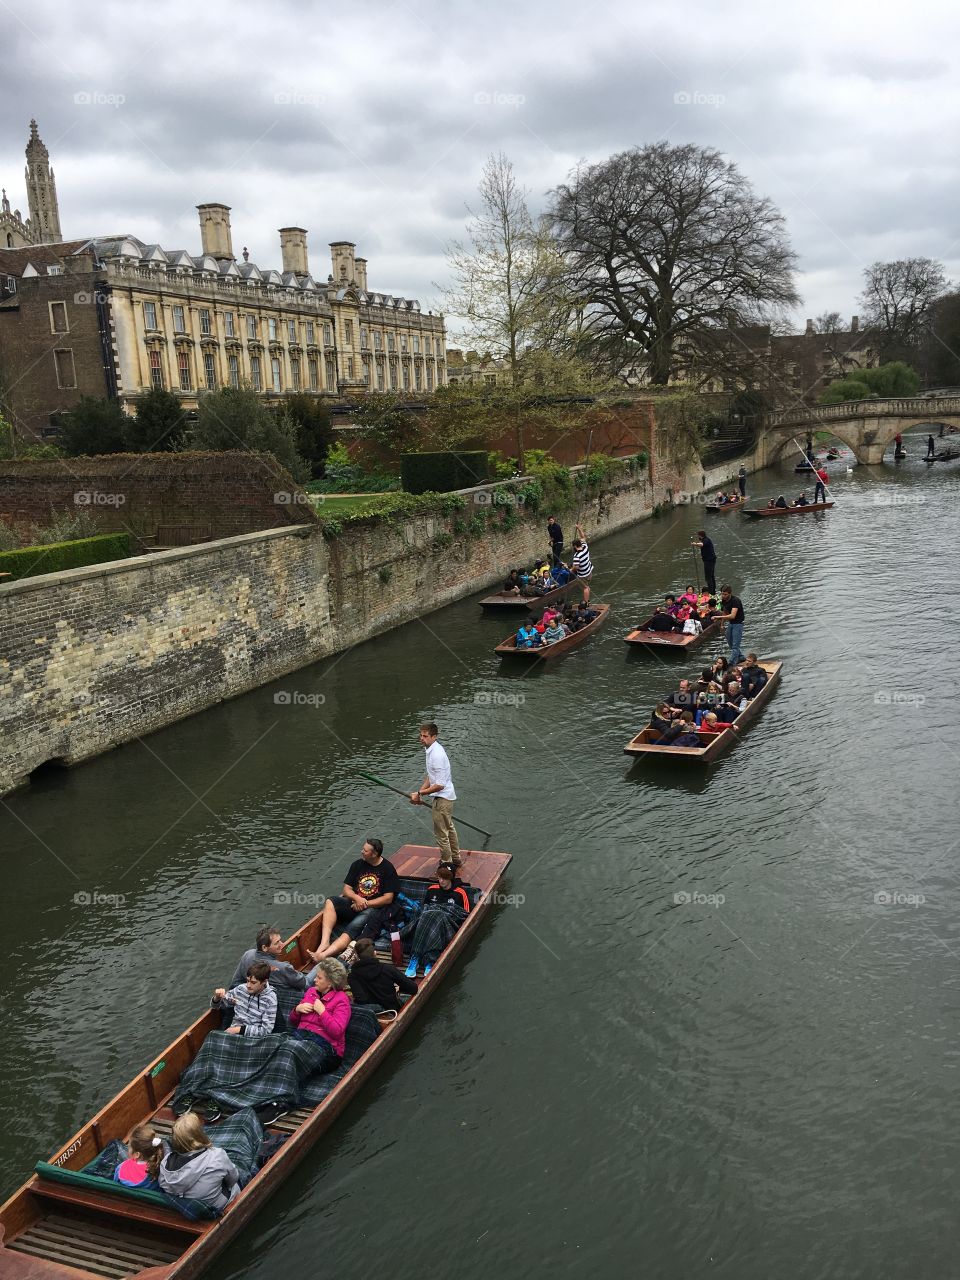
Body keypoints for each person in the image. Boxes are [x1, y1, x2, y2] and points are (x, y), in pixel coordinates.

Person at [309, 839, 401, 961]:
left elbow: (388, 899)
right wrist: (357, 899)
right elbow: (347, 890)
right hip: (354, 903)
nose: (361, 851)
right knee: (330, 901)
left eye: (365, 850)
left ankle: (324, 955)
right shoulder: (357, 865)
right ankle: (324, 942)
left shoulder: (388, 869)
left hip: (373, 908)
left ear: (374, 854)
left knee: (353, 927)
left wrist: (365, 903)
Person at [158, 1113, 243, 1214]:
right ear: (199, 1134)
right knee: (239, 1169)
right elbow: (233, 1179)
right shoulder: (216, 1155)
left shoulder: (165, 1163)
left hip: (188, 1210)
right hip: (218, 1208)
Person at [404, 861, 472, 977]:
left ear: (451, 878)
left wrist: (439, 912)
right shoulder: (432, 889)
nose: (441, 881)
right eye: (439, 877)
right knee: (428, 914)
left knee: (437, 915)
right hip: (429, 925)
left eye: (444, 878)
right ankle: (428, 959)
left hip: (448, 927)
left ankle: (418, 956)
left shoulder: (460, 893)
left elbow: (465, 915)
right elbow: (424, 909)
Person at [411, 722, 460, 868]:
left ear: (434, 737)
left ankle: (447, 864)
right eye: (420, 735)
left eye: (425, 736)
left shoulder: (437, 755)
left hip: (442, 798)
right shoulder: (431, 750)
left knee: (441, 834)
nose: (421, 738)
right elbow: (431, 776)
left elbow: (439, 784)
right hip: (445, 797)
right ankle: (456, 858)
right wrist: (420, 792)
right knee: (449, 828)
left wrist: (420, 793)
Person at [288, 958, 352, 1070]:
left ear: (330, 983)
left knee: (291, 1055)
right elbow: (292, 1021)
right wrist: (297, 1010)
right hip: (301, 1038)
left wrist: (322, 1012)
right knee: (279, 1047)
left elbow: (337, 1032)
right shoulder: (311, 992)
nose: (314, 980)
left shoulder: (342, 1000)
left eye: (319, 978)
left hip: (327, 1049)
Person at [347, 937, 418, 1011]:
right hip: (392, 1010)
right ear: (375, 953)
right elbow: (413, 988)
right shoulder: (388, 969)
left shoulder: (352, 977)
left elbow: (362, 1000)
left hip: (371, 1013)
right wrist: (400, 989)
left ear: (357, 956)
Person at [230, 927, 308, 993]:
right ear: (264, 948)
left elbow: (235, 982)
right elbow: (303, 983)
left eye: (280, 940)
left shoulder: (247, 955)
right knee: (318, 967)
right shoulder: (283, 967)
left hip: (251, 995)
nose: (282, 944)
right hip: (282, 1000)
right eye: (277, 943)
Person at [211, 962, 278, 1037]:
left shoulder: (271, 999)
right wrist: (217, 997)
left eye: (253, 982)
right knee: (211, 1037)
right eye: (247, 981)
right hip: (232, 1033)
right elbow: (217, 1006)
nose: (248, 985)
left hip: (253, 1039)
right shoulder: (240, 989)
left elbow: (266, 1031)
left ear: (264, 982)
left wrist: (239, 1030)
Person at [114, 1124, 164, 1189]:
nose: (128, 1147)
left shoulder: (120, 1168)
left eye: (129, 1146)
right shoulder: (156, 1170)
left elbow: (115, 1184)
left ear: (137, 1154)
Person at [715, 585, 745, 664]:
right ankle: (741, 657)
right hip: (731, 624)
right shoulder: (723, 601)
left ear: (730, 594)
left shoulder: (735, 601)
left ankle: (731, 663)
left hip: (738, 624)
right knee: (729, 641)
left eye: (725, 594)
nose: (723, 596)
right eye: (722, 594)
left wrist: (717, 616)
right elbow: (725, 611)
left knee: (735, 645)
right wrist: (722, 624)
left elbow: (732, 616)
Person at [569, 524, 594, 603]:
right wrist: (579, 528)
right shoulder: (585, 546)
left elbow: (576, 567)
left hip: (583, 575)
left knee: (585, 588)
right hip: (589, 572)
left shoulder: (576, 556)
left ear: (575, 546)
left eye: (573, 546)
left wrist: (570, 569)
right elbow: (583, 537)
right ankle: (588, 597)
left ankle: (586, 603)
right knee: (587, 586)